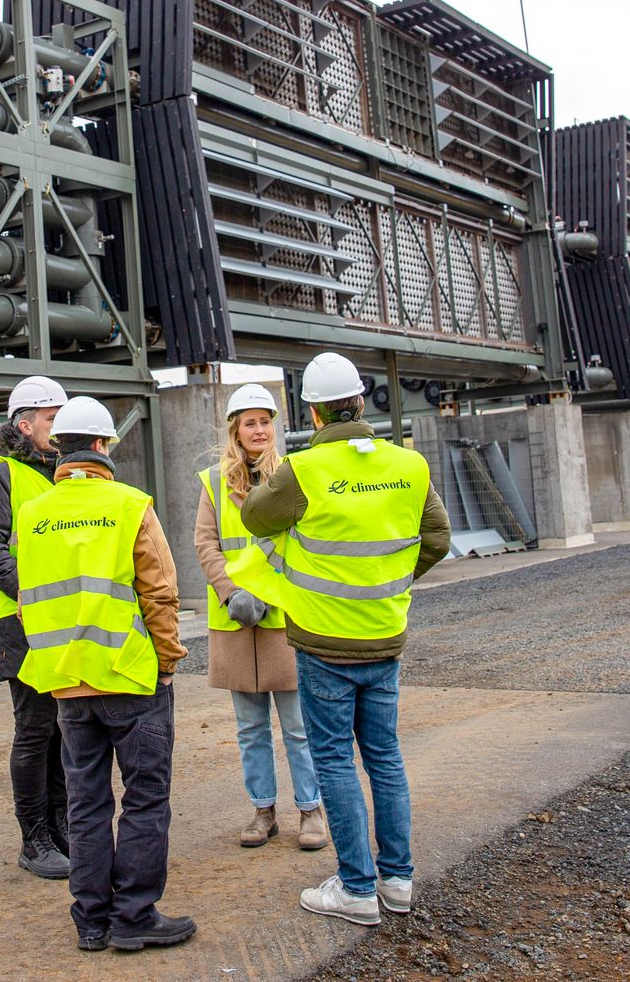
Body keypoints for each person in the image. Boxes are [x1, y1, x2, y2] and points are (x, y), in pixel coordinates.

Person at [232, 352, 450, 927]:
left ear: (314, 412)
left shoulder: (305, 470)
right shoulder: (409, 465)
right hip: (384, 635)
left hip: (324, 641)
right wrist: (387, 584)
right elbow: (438, 538)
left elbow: (256, 518)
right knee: (385, 755)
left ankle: (355, 887)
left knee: (333, 759)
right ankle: (397, 881)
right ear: (359, 401)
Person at [14, 397, 193, 954]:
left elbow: (27, 599)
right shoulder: (129, 505)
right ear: (103, 446)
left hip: (67, 684)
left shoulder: (33, 514)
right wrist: (165, 665)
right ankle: (134, 916)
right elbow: (160, 593)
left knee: (85, 803)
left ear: (60, 448)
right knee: (144, 798)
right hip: (130, 678)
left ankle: (91, 921)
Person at [194, 382, 327, 852]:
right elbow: (206, 544)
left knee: (297, 726)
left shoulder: (293, 475)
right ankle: (263, 810)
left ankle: (311, 811)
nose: (258, 430)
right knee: (250, 729)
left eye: (265, 422)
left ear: (275, 427)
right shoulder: (213, 481)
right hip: (234, 620)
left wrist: (266, 592)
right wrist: (231, 593)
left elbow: (301, 543)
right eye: (249, 422)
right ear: (235, 430)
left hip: (281, 618)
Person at [0, 375, 71, 880]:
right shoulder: (2, 474)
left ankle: (63, 829)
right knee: (34, 731)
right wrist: (29, 593)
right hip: (23, 622)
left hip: (68, 622)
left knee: (64, 731)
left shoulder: (67, 474)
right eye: (52, 420)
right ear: (24, 424)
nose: (60, 428)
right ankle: (34, 840)